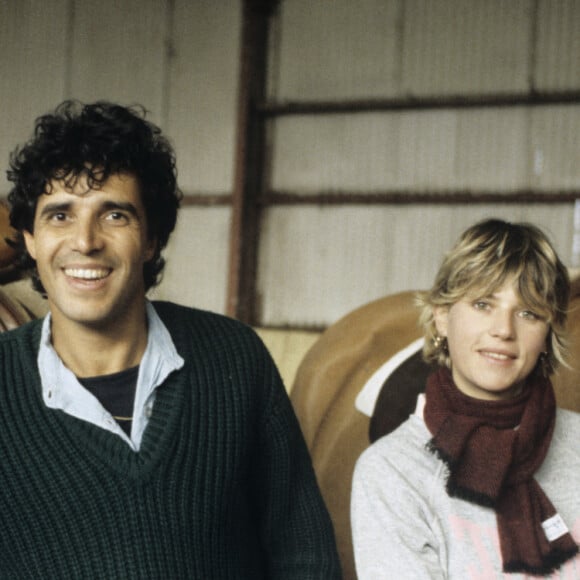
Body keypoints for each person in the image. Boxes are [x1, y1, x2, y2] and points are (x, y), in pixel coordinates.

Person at [2, 100, 342, 579]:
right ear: (30, 239)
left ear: (151, 239)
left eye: (114, 215)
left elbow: (305, 554)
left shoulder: (235, 359)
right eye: (59, 216)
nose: (85, 240)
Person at [351, 219, 580, 578]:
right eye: (483, 305)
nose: (503, 330)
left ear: (547, 332)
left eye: (528, 313)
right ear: (442, 316)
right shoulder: (393, 471)